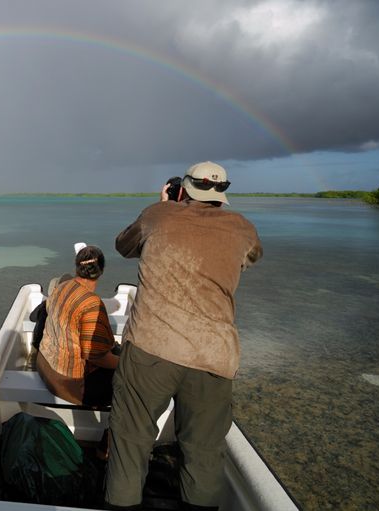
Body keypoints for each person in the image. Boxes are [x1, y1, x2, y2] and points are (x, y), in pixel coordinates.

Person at [105, 161, 263, 510]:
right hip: (213, 357)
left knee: (131, 440)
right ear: (222, 193)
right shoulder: (243, 228)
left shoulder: (158, 215)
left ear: (183, 189)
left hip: (150, 348)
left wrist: (165, 205)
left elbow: (123, 245)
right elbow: (249, 258)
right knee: (204, 451)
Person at [36, 244, 120, 408]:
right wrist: (125, 363)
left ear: (77, 267)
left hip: (44, 366)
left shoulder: (61, 287)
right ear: (101, 270)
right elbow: (97, 357)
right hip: (70, 384)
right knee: (137, 381)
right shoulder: (92, 304)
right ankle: (111, 431)